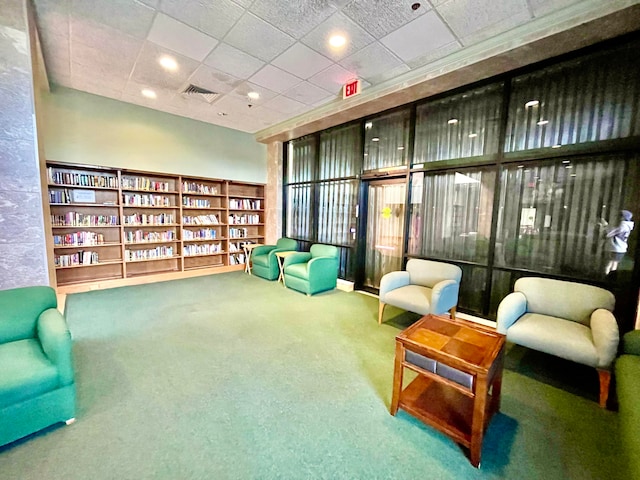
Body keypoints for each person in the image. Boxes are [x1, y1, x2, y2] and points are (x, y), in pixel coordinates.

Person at [602, 210, 635, 274]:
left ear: (623, 217)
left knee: (608, 265)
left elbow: (609, 234)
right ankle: (611, 279)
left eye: (620, 216)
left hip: (615, 247)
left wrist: (605, 226)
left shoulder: (622, 226)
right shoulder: (628, 226)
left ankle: (606, 278)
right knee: (614, 265)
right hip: (622, 248)